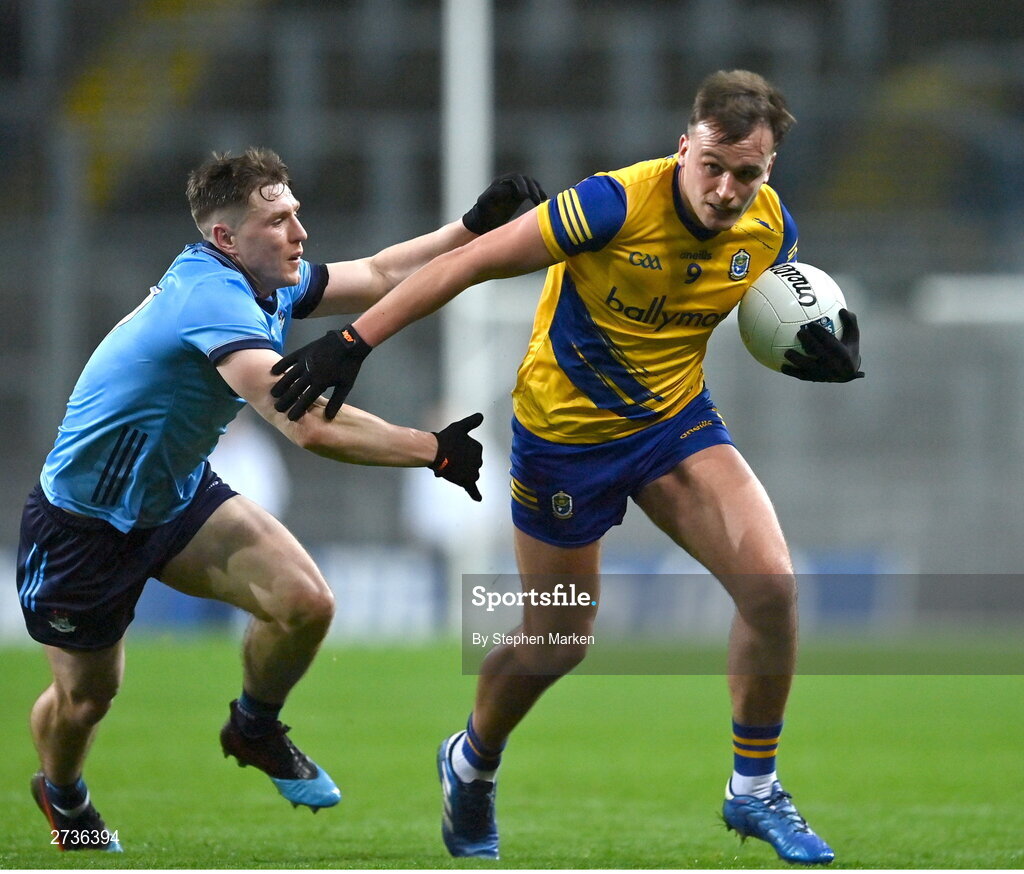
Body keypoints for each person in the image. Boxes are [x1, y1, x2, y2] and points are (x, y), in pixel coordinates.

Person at [271, 70, 862, 866]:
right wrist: (354, 341)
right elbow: (473, 263)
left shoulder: (771, 230)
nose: (726, 189)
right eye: (713, 164)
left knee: (772, 591)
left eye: (747, 173)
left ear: (770, 170)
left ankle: (754, 790)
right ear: (685, 146)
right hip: (564, 441)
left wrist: (818, 348)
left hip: (673, 427)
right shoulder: (610, 204)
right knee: (557, 641)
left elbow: (775, 307)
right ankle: (471, 761)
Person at [17, 147, 544, 852]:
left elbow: (384, 274)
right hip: (84, 524)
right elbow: (307, 422)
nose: (299, 231)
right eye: (277, 220)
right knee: (87, 700)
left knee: (305, 604)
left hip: (173, 498)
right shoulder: (209, 296)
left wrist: (470, 229)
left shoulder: (266, 282)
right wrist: (434, 449)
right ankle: (63, 794)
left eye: (296, 213)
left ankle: (254, 728)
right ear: (224, 238)